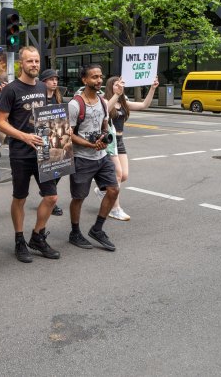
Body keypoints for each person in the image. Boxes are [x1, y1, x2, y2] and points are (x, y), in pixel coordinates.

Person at [0, 46, 60, 263]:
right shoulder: (11, 90)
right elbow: (0, 123)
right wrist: (24, 136)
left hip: (43, 151)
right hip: (20, 152)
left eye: (36, 61)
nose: (34, 65)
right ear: (21, 64)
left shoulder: (43, 87)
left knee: (51, 197)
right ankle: (19, 240)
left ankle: (37, 236)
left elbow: (46, 117)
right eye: (29, 61)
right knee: (20, 198)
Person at [67, 64, 120, 252]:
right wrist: (89, 144)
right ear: (84, 80)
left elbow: (105, 124)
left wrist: (103, 138)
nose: (98, 80)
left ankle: (97, 229)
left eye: (100, 76)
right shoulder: (75, 105)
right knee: (79, 197)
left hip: (102, 156)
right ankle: (74, 232)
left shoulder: (103, 102)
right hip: (82, 158)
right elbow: (69, 134)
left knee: (113, 190)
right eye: (94, 77)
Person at [94, 75, 159, 221]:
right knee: (117, 174)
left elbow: (144, 105)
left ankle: (102, 190)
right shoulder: (104, 100)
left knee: (124, 176)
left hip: (120, 141)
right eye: (118, 84)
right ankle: (115, 208)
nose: (121, 87)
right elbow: (104, 112)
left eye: (122, 84)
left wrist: (152, 89)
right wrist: (116, 95)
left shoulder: (123, 102)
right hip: (109, 141)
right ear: (112, 86)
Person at [39, 68, 66, 217]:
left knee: (59, 168)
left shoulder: (58, 97)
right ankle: (50, 198)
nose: (55, 82)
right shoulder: (39, 98)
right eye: (51, 79)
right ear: (44, 82)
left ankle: (47, 191)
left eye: (56, 79)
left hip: (56, 137)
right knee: (46, 169)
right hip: (42, 138)